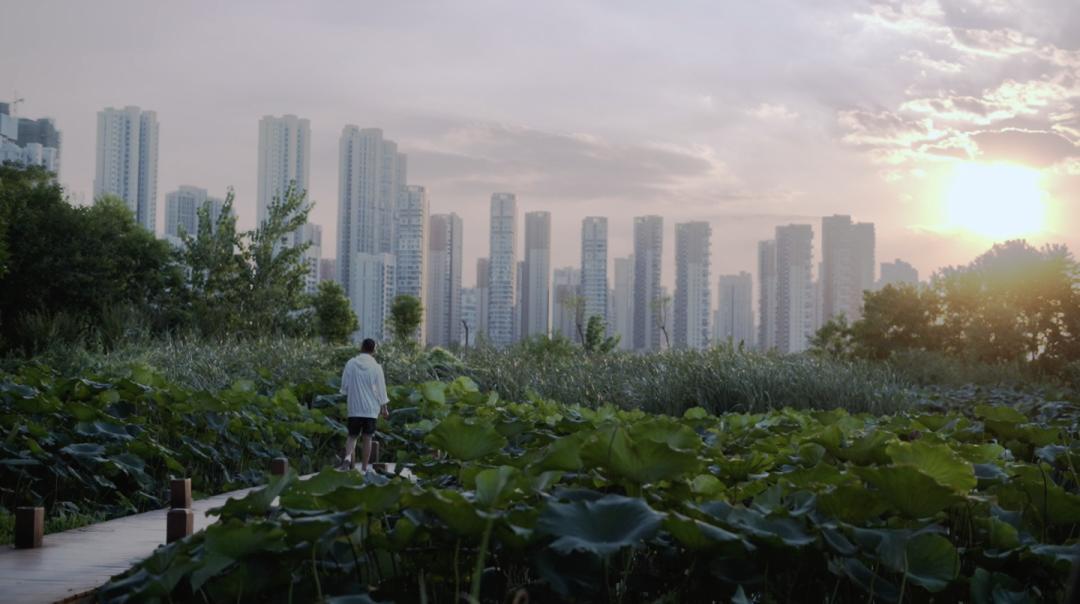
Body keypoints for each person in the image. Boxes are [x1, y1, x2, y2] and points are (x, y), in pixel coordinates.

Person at [339, 338, 390, 472]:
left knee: (352, 436)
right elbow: (381, 390)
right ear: (374, 350)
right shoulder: (376, 367)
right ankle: (363, 469)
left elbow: (344, 385)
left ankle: (347, 458)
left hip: (354, 408)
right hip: (370, 410)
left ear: (361, 347)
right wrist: (384, 408)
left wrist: (351, 391)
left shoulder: (351, 363)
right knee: (367, 439)